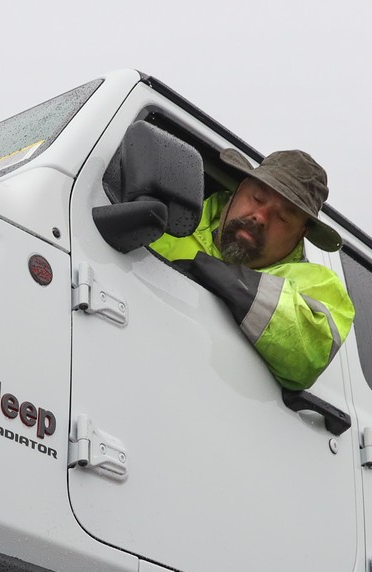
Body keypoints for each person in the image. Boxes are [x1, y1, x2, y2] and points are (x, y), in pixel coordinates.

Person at [151, 148, 355, 392]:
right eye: (257, 198)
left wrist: (206, 270)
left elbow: (307, 356)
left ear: (301, 234)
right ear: (237, 191)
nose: (260, 217)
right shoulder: (170, 214)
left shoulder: (317, 285)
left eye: (282, 217)